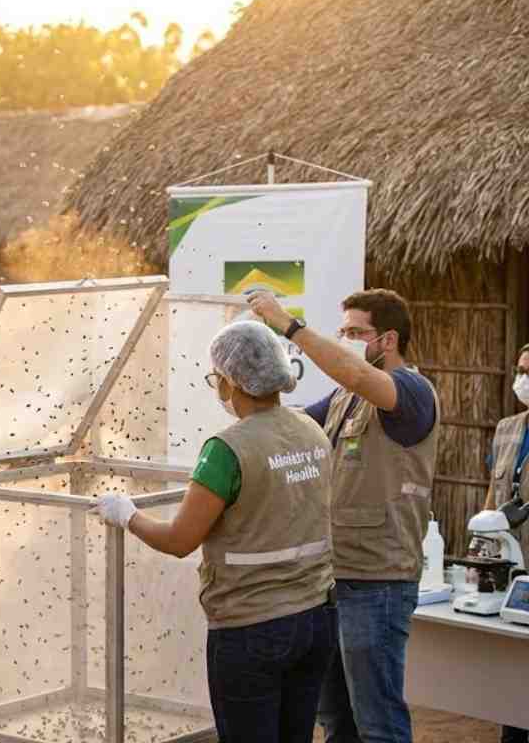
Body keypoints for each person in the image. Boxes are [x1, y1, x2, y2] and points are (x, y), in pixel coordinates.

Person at [95, 321, 337, 743]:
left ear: (229, 381)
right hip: (316, 618)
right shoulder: (309, 429)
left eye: (216, 379)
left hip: (252, 627)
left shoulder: (227, 449)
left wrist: (127, 514)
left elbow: (178, 541)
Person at [248, 289, 438, 743]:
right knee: (337, 721)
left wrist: (287, 324)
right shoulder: (343, 399)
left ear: (387, 340)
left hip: (379, 582)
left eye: (357, 332)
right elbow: (291, 425)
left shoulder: (411, 391)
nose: (347, 339)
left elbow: (352, 369)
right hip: (333, 580)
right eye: (344, 331)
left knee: (379, 724)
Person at [484, 344, 529, 743]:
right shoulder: (507, 427)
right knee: (512, 671)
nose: (523, 379)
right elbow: (493, 489)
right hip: (508, 563)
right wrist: (481, 541)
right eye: (520, 370)